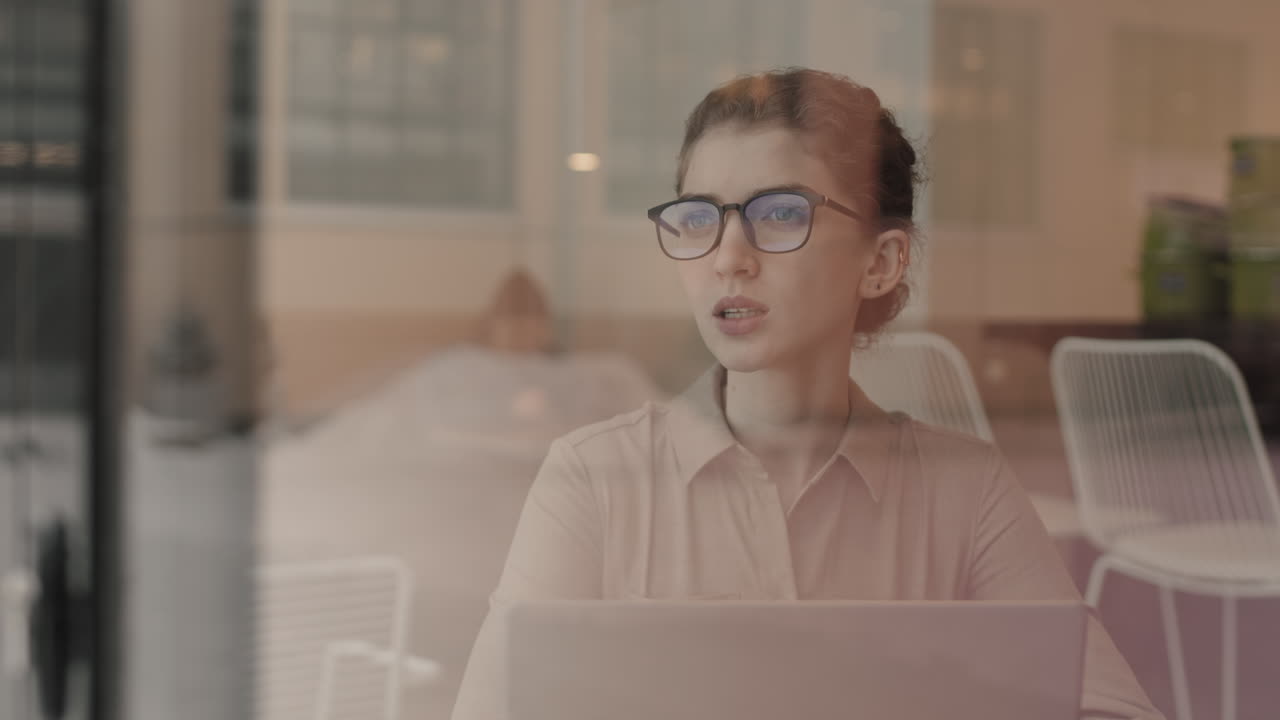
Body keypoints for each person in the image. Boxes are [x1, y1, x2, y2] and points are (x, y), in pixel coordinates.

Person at [452, 68, 1164, 720]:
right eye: (699, 218)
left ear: (881, 262)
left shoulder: (966, 490)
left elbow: (1108, 709)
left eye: (781, 213)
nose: (729, 257)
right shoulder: (593, 479)